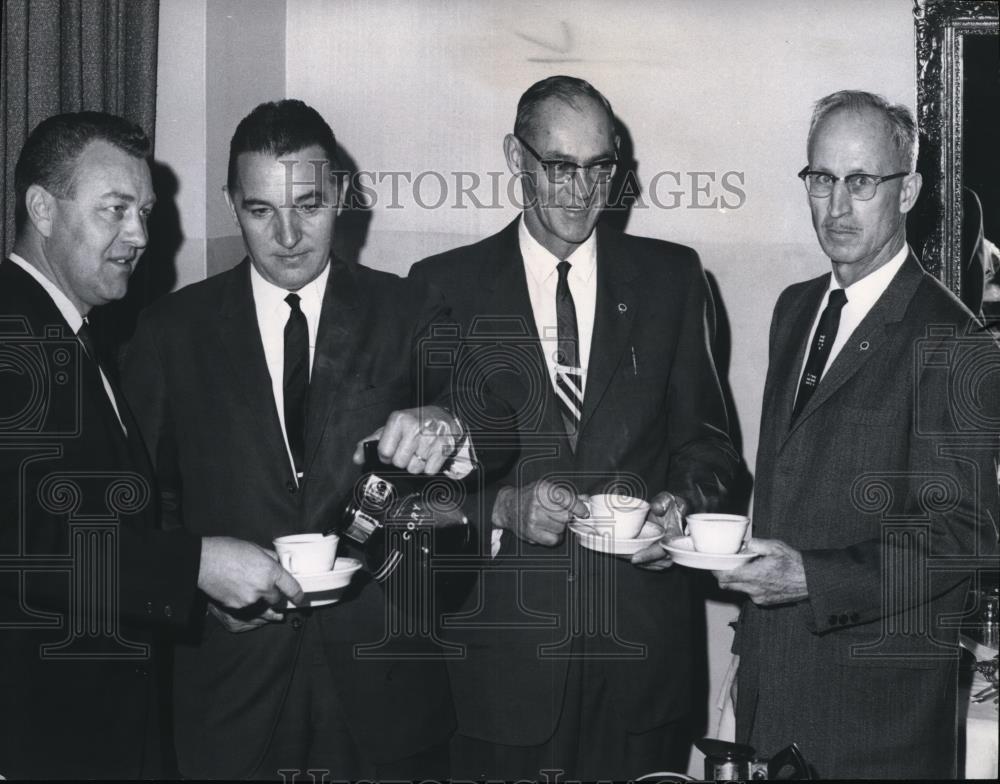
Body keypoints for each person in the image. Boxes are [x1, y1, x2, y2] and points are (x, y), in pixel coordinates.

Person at [121, 99, 486, 779]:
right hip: (231, 693)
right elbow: (143, 502)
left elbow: (492, 410)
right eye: (261, 210)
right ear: (233, 204)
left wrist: (449, 419)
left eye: (309, 205)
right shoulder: (170, 332)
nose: (288, 235)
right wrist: (196, 597)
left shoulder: (408, 309)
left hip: (386, 694)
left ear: (343, 194)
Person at [409, 75, 739, 780]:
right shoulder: (441, 288)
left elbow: (712, 448)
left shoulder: (673, 279)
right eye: (560, 166)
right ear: (515, 157)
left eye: (600, 167)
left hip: (642, 665)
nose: (581, 191)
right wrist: (500, 507)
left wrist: (678, 511)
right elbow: (410, 497)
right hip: (500, 671)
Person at [0, 111, 304, 779]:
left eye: (143, 211)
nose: (139, 235)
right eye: (115, 210)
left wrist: (195, 594)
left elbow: (101, 527)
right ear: (42, 210)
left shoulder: (73, 332)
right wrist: (194, 564)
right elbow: (25, 545)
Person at [716, 90, 1000, 778]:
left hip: (879, 726)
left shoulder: (955, 339)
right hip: (773, 697)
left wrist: (812, 577)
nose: (836, 207)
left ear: (908, 192)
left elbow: (963, 535)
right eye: (822, 179)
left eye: (862, 182)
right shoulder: (795, 309)